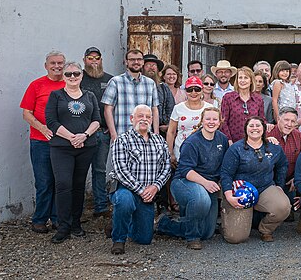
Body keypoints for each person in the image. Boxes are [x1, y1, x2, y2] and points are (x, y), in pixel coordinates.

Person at [156, 107, 229, 249]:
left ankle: (165, 224)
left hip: (209, 185)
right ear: (202, 121)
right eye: (208, 119)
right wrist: (206, 183)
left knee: (207, 232)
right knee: (201, 200)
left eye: (215, 119)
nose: (211, 122)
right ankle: (192, 237)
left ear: (220, 122)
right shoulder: (192, 142)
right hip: (185, 182)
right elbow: (185, 170)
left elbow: (224, 165)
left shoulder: (222, 139)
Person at [45, 61, 101, 243]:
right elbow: (51, 122)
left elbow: (96, 120)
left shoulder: (90, 96)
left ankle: (76, 223)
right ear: (64, 76)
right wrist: (71, 137)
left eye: (76, 73)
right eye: (68, 74)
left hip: (86, 146)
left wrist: (83, 136)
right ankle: (63, 226)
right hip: (62, 148)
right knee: (62, 184)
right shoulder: (56, 96)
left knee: (78, 186)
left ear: (81, 75)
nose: (72, 77)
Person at [107, 105, 171, 255]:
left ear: (152, 120)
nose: (144, 119)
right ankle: (119, 240)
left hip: (149, 193)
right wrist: (141, 190)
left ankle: (120, 222)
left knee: (144, 238)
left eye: (148, 117)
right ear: (132, 119)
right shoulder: (122, 140)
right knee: (125, 201)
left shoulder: (159, 141)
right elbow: (120, 170)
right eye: (140, 116)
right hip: (125, 189)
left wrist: (155, 186)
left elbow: (166, 167)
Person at [220, 116, 290, 243]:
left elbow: (282, 165)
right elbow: (226, 173)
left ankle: (265, 229)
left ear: (263, 128)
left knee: (283, 207)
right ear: (245, 129)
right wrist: (229, 196)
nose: (255, 128)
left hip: (265, 188)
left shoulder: (273, 147)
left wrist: (279, 185)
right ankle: (228, 219)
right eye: (251, 126)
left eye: (258, 125)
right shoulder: (236, 149)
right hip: (241, 192)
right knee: (235, 238)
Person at [21, 50, 66, 233]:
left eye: (60, 63)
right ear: (46, 65)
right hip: (40, 141)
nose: (57, 66)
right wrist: (43, 129)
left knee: (59, 181)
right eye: (53, 63)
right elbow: (26, 113)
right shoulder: (36, 85)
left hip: (63, 143)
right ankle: (39, 219)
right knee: (44, 181)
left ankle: (57, 219)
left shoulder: (69, 84)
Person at [80, 47, 115, 218]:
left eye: (97, 57)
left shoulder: (110, 80)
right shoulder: (78, 78)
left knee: (100, 169)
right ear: (84, 60)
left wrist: (111, 125)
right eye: (90, 57)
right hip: (81, 134)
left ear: (101, 59)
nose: (94, 60)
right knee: (78, 170)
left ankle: (100, 206)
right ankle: (76, 208)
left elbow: (116, 103)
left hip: (102, 132)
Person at [102, 49, 159, 142]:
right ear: (126, 62)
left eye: (139, 59)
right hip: (122, 136)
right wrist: (113, 134)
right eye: (132, 60)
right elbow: (108, 109)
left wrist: (156, 133)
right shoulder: (115, 82)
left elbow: (154, 109)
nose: (136, 62)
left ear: (143, 62)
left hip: (145, 136)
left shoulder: (150, 83)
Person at [267, 107, 301, 218]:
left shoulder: (298, 136)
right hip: (270, 182)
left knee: (288, 215)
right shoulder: (266, 133)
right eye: (286, 120)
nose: (289, 124)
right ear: (278, 118)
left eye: (293, 121)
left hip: (290, 181)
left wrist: (297, 178)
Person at [167, 76, 214, 168]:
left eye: (197, 89)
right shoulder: (178, 108)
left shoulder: (210, 108)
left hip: (204, 152)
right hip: (181, 151)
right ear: (185, 91)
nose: (193, 93)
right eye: (189, 89)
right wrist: (170, 152)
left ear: (202, 90)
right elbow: (171, 132)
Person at [221, 66, 266, 144]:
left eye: (246, 78)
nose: (242, 80)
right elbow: (223, 121)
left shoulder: (258, 99)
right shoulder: (228, 98)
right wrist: (229, 140)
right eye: (240, 78)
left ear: (251, 81)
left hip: (254, 142)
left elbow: (261, 120)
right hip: (232, 142)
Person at [143, 53, 175, 140]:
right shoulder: (138, 87)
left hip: (161, 132)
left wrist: (167, 124)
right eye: (148, 65)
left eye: (154, 65)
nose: (151, 67)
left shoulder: (163, 87)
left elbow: (170, 107)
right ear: (142, 68)